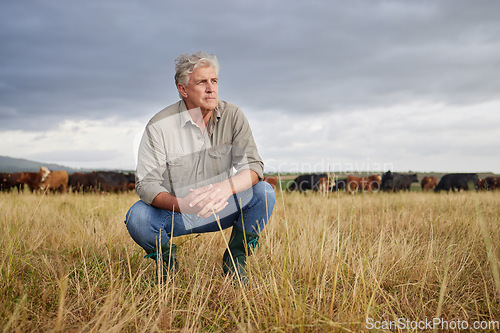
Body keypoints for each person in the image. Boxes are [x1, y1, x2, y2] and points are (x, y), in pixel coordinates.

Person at [124, 51, 276, 285]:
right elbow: (146, 185)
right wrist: (183, 205)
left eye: (214, 81)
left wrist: (226, 188)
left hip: (221, 205)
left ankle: (235, 261)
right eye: (202, 82)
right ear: (183, 90)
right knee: (138, 218)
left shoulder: (233, 115)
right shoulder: (159, 126)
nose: (211, 88)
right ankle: (167, 264)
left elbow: (253, 166)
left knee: (264, 194)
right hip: (178, 213)